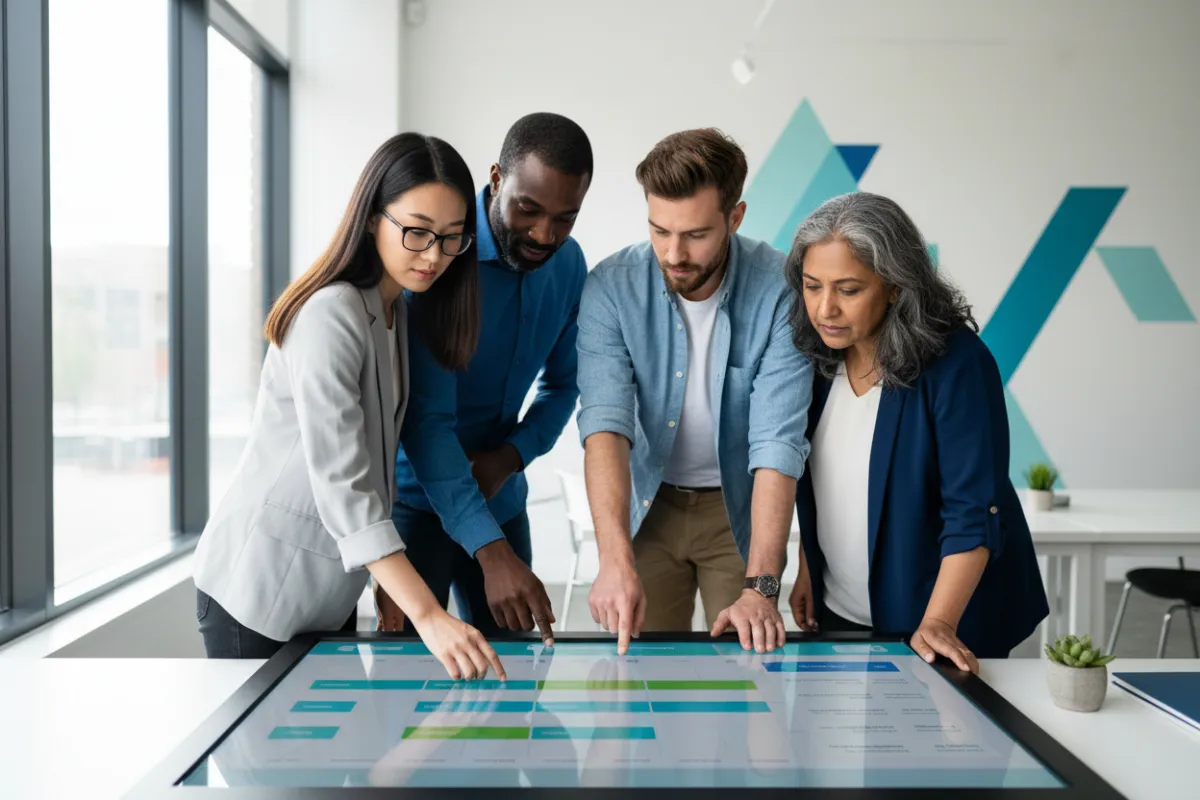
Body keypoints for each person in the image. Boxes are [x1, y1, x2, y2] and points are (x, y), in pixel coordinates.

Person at [192, 133, 505, 682]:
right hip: (258, 589)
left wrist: (388, 582)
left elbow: (376, 466)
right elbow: (345, 483)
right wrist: (427, 613)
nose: (434, 255)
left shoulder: (394, 312)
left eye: (452, 238)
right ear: (369, 219)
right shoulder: (328, 313)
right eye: (416, 232)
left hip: (324, 590)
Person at [784, 191, 1050, 670]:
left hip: (946, 625)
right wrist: (808, 565)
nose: (825, 309)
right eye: (812, 286)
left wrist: (940, 623)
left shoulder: (958, 364)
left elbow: (972, 512)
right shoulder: (815, 360)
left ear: (895, 286)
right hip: (842, 613)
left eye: (847, 289)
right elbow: (824, 483)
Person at [577, 128, 813, 655]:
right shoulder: (611, 287)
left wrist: (761, 588)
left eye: (696, 234)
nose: (674, 252)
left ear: (735, 217)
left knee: (750, 669)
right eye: (659, 231)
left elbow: (778, 441)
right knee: (643, 675)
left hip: (738, 511)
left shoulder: (780, 289)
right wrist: (612, 561)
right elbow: (605, 425)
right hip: (648, 505)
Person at [377, 112, 593, 644]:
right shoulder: (440, 254)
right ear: (497, 178)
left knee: (516, 683)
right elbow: (427, 424)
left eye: (566, 217)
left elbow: (562, 386)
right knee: (408, 691)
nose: (546, 234)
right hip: (416, 506)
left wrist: (511, 457)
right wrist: (491, 551)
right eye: (528, 209)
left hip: (501, 500)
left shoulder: (569, 265)